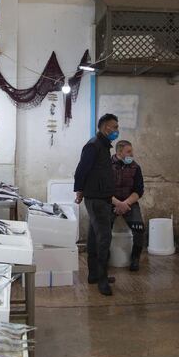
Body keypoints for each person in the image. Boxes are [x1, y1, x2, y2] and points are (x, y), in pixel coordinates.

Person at [74, 113, 120, 296]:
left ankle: (94, 274)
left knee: (94, 237)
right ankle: (102, 279)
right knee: (104, 238)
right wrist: (79, 190)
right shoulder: (93, 146)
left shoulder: (103, 146)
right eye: (115, 127)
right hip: (96, 199)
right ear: (106, 127)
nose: (117, 130)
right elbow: (81, 170)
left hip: (102, 197)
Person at [112, 140, 145, 272]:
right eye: (129, 151)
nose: (132, 154)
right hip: (110, 202)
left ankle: (135, 258)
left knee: (139, 228)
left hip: (129, 202)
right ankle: (104, 257)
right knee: (102, 228)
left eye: (132, 151)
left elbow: (139, 191)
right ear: (119, 152)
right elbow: (103, 190)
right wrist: (117, 203)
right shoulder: (106, 166)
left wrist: (125, 204)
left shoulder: (135, 167)